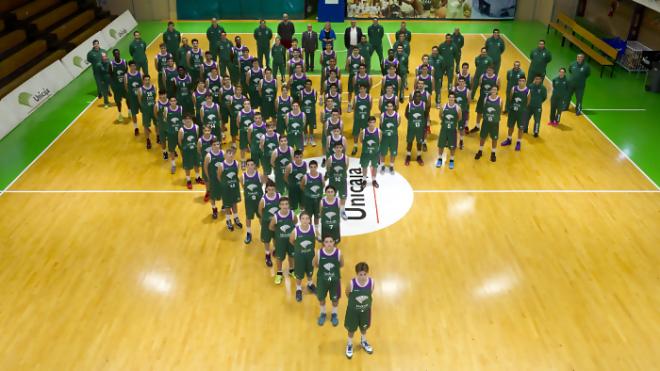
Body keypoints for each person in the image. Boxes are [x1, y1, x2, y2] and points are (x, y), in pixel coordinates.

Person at [344, 262, 374, 359]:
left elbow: (370, 293)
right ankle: (349, 344)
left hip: (365, 311)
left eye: (365, 274)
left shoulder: (371, 282)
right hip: (353, 312)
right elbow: (347, 293)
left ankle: (363, 341)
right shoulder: (352, 284)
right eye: (360, 274)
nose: (363, 277)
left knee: (364, 328)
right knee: (351, 329)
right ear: (357, 274)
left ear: (367, 273)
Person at [314, 236, 344, 327]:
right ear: (323, 243)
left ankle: (334, 314)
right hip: (322, 281)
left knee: (335, 299)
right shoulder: (319, 253)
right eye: (326, 242)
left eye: (331, 241)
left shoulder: (338, 253)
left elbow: (341, 264)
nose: (329, 243)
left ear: (334, 242)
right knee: (321, 298)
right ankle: (323, 313)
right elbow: (316, 264)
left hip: (334, 282)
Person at [269, 196, 297, 284]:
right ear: (279, 206)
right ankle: (279, 273)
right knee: (279, 257)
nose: (284, 206)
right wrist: (279, 234)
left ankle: (291, 270)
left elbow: (295, 222)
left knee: (291, 255)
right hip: (280, 242)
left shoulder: (292, 214)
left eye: (286, 204)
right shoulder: (276, 217)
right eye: (282, 204)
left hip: (290, 240)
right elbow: (271, 227)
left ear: (289, 205)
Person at [290, 211, 317, 302]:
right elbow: (292, 240)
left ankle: (310, 284)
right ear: (300, 220)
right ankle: (298, 289)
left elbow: (316, 240)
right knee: (299, 274)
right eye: (303, 218)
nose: (305, 220)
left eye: (307, 218)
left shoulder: (313, 229)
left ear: (310, 220)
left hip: (310, 255)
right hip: (299, 257)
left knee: (310, 271)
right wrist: (299, 248)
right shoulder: (296, 230)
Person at [240, 158, 267, 244]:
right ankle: (248, 233)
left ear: (255, 166)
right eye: (248, 165)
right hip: (249, 202)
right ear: (246, 166)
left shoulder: (259, 175)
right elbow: (243, 186)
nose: (250, 166)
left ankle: (264, 232)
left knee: (261, 216)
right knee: (248, 217)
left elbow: (262, 184)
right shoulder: (243, 177)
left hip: (259, 201)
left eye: (252, 165)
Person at [217, 148, 244, 231]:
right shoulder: (221, 165)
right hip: (226, 189)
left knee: (234, 204)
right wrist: (224, 184)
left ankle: (236, 218)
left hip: (234, 187)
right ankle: (228, 220)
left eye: (232, 153)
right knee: (227, 205)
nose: (231, 155)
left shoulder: (236, 163)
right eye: (229, 153)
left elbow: (236, 175)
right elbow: (219, 176)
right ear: (225, 155)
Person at [501, 76, 529, 151]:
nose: (521, 82)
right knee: (510, 126)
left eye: (523, 81)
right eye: (520, 80)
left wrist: (521, 109)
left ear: (525, 82)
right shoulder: (514, 89)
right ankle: (509, 139)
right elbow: (510, 98)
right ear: (518, 81)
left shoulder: (527, 91)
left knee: (520, 128)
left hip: (521, 113)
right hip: (513, 112)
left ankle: (518, 142)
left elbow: (528, 102)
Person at [475, 86, 502, 163]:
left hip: (494, 123)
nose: (494, 91)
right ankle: (480, 150)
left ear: (497, 91)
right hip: (486, 122)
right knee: (482, 137)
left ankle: (493, 153)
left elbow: (499, 111)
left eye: (495, 89)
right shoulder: (486, 99)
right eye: (492, 89)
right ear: (490, 90)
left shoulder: (500, 100)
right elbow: (484, 108)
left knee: (494, 138)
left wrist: (494, 117)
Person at [436, 92, 461, 169]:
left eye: (453, 97)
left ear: (454, 99)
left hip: (452, 130)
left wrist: (453, 123)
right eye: (450, 97)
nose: (451, 98)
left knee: (452, 146)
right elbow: (440, 116)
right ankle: (440, 159)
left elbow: (459, 118)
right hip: (444, 129)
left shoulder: (457, 108)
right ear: (448, 98)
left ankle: (451, 160)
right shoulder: (443, 106)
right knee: (441, 145)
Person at [258, 179, 280, 267]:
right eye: (269, 189)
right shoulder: (263, 200)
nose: (271, 191)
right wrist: (266, 219)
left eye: (273, 189)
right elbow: (260, 211)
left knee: (275, 238)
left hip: (276, 223)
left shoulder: (279, 196)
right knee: (266, 240)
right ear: (266, 189)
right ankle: (267, 254)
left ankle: (275, 249)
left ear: (275, 189)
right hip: (266, 223)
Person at [473, 65, 499, 134]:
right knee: (479, 112)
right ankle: (477, 126)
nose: (489, 72)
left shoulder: (496, 78)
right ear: (486, 70)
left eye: (491, 70)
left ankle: (488, 128)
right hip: (482, 98)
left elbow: (498, 88)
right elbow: (480, 84)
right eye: (488, 70)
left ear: (493, 71)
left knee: (489, 114)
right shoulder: (482, 76)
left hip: (490, 101)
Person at [178, 114, 203, 189]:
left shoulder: (196, 127)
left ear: (191, 119)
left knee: (196, 164)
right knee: (187, 166)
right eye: (186, 119)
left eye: (189, 119)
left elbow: (197, 137)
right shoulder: (182, 130)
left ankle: (197, 177)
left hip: (195, 150)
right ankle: (188, 180)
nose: (188, 120)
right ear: (184, 121)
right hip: (187, 151)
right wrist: (183, 149)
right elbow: (179, 141)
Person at [301, 160, 324, 235]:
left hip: (318, 199)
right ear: (309, 167)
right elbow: (302, 186)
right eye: (311, 167)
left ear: (317, 167)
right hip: (308, 200)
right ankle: (309, 229)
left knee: (317, 216)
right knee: (309, 216)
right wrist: (308, 192)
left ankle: (316, 230)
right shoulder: (306, 176)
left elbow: (323, 185)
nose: (313, 168)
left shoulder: (320, 175)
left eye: (314, 167)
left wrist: (317, 193)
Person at [325, 148, 348, 221]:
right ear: (334, 149)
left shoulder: (345, 157)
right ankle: (331, 211)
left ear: (342, 148)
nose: (339, 149)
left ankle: (342, 211)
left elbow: (346, 168)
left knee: (343, 196)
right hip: (333, 181)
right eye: (337, 148)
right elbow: (328, 168)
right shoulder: (330, 158)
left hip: (342, 181)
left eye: (340, 147)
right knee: (331, 196)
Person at [203, 138, 225, 219]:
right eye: (214, 145)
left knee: (223, 193)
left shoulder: (223, 153)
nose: (216, 146)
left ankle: (224, 206)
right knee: (212, 196)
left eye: (218, 144)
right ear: (211, 146)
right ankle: (214, 209)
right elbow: (205, 167)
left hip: (221, 178)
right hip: (213, 179)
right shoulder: (208, 156)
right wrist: (208, 177)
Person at [405, 92, 426, 166]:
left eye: (419, 96)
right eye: (416, 96)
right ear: (414, 97)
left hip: (420, 128)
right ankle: (408, 156)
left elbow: (425, 115)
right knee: (409, 142)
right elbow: (406, 115)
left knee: (419, 143)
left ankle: (419, 157)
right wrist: (412, 121)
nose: (418, 98)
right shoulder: (410, 105)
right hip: (411, 128)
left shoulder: (423, 105)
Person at [360, 116, 381, 189]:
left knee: (374, 166)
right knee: (364, 166)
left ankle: (374, 180)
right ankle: (364, 180)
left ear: (375, 123)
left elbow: (379, 141)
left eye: (373, 122)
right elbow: (361, 141)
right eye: (370, 122)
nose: (372, 124)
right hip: (365, 153)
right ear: (368, 123)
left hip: (375, 153)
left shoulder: (378, 131)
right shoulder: (364, 131)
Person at [379, 101, 400, 174]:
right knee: (383, 152)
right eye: (388, 106)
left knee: (393, 153)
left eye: (391, 106)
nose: (389, 108)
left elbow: (398, 124)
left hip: (393, 137)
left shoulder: (397, 116)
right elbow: (381, 125)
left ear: (393, 107)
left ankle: (391, 166)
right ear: (386, 107)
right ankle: (382, 166)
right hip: (385, 137)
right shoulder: (382, 115)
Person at [197, 125, 216, 202]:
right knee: (206, 177)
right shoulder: (200, 140)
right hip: (205, 162)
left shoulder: (214, 138)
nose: (207, 132)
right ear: (203, 131)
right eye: (205, 130)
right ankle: (208, 191)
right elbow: (198, 150)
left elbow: (217, 148)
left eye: (208, 130)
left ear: (210, 131)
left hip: (214, 161)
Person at [137, 74, 157, 149]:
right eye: (145, 80)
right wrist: (144, 108)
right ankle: (148, 140)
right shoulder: (140, 90)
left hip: (153, 108)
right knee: (146, 126)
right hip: (146, 110)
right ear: (143, 81)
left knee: (156, 124)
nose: (147, 81)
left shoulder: (154, 87)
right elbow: (140, 100)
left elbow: (155, 97)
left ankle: (158, 136)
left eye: (148, 79)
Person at [451, 77, 471, 149]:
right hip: (454, 111)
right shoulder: (454, 89)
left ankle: (461, 140)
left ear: (465, 83)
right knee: (452, 126)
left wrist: (464, 108)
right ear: (458, 82)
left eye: (463, 81)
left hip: (463, 112)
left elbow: (469, 102)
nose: (461, 83)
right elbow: (451, 99)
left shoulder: (467, 91)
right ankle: (452, 141)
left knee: (461, 128)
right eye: (460, 81)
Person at [165, 97, 183, 173]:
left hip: (179, 133)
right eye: (171, 101)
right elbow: (165, 119)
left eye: (174, 100)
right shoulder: (166, 110)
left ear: (176, 101)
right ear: (169, 102)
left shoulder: (180, 108)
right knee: (172, 150)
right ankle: (173, 165)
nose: (173, 102)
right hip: (171, 133)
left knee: (182, 148)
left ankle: (184, 162)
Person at [352, 84, 372, 156]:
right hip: (358, 118)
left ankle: (365, 147)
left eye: (363, 89)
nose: (362, 90)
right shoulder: (356, 98)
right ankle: (355, 146)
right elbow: (353, 107)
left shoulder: (369, 97)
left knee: (366, 134)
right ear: (359, 90)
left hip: (366, 119)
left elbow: (370, 107)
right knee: (356, 133)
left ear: (366, 89)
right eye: (361, 89)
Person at [124, 61, 142, 136]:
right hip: (132, 98)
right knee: (134, 113)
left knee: (144, 112)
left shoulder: (140, 74)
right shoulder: (126, 75)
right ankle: (136, 128)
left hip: (140, 97)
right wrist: (131, 94)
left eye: (134, 66)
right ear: (129, 67)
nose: (133, 67)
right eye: (131, 66)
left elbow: (143, 84)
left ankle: (146, 126)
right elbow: (126, 86)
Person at [109, 49, 127, 122]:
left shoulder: (124, 62)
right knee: (118, 102)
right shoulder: (111, 64)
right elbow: (110, 75)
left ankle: (129, 111)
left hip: (124, 85)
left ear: (119, 54)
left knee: (128, 98)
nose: (117, 55)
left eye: (118, 53)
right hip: (117, 87)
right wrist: (113, 87)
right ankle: (120, 114)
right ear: (113, 55)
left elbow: (126, 73)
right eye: (115, 54)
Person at [237, 99, 255, 168]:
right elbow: (238, 123)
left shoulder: (253, 112)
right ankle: (243, 162)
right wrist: (242, 130)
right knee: (243, 148)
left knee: (253, 147)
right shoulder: (240, 113)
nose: (247, 105)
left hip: (252, 133)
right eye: (245, 104)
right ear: (243, 105)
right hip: (243, 133)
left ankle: (252, 162)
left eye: (248, 103)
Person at [300, 79, 317, 146]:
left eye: (309, 84)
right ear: (305, 85)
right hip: (304, 113)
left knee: (311, 126)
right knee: (304, 126)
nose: (308, 85)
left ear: (311, 85)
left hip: (312, 112)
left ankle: (312, 139)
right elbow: (300, 102)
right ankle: (305, 139)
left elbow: (315, 101)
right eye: (307, 84)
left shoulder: (314, 92)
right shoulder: (301, 92)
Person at [155, 90, 169, 158]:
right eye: (161, 95)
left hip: (169, 124)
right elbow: (155, 114)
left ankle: (172, 150)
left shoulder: (170, 102)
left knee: (171, 139)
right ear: (159, 96)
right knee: (163, 140)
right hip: (162, 125)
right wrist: (160, 121)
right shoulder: (157, 104)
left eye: (164, 94)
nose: (163, 96)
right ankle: (164, 152)